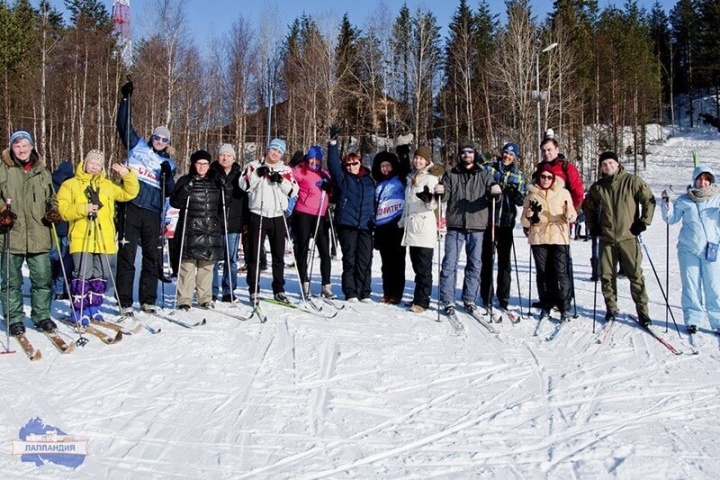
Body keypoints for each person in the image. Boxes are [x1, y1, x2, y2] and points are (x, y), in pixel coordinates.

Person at [57, 150, 139, 323]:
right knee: (83, 274)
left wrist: (128, 176)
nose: (94, 167)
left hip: (104, 239)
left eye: (98, 164)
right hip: (81, 238)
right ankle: (80, 310)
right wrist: (83, 209)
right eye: (91, 163)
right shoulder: (70, 184)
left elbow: (129, 193)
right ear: (85, 163)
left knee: (100, 276)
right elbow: (62, 211)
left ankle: (95, 307)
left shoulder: (108, 185)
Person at [116, 80, 176, 315]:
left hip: (152, 211)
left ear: (168, 143)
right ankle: (124, 302)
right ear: (151, 137)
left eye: (164, 139)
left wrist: (169, 176)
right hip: (131, 206)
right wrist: (126, 100)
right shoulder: (137, 145)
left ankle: (148, 299)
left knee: (152, 256)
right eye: (157, 137)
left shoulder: (169, 163)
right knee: (127, 255)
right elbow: (123, 125)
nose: (160, 141)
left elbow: (169, 191)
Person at [583, 151, 656, 326]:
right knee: (607, 276)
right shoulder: (598, 187)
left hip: (628, 237)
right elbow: (588, 207)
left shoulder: (632, 181)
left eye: (610, 163)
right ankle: (611, 308)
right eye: (604, 164)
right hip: (607, 239)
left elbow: (649, 200)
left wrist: (643, 222)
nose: (608, 166)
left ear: (617, 163)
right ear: (601, 167)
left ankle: (643, 312)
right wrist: (593, 226)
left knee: (635, 275)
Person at [0, 131, 62, 335]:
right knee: (11, 281)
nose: (22, 149)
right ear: (11, 148)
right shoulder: (4, 169)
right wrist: (2, 211)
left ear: (32, 147)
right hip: (12, 233)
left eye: (25, 145)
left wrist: (53, 211)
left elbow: (52, 198)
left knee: (42, 279)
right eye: (17, 146)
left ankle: (42, 315)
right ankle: (14, 318)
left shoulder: (42, 172)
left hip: (39, 233)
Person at [435, 140, 498, 314]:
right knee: (449, 263)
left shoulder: (484, 175)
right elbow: (445, 195)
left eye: (470, 152)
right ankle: (448, 299)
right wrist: (440, 191)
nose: (467, 155)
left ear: (474, 154)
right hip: (456, 225)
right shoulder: (451, 174)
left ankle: (469, 298)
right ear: (460, 155)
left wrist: (495, 192)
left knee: (475, 264)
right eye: (464, 152)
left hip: (477, 226)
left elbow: (494, 195)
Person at [661, 166, 720, 334]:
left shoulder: (717, 199)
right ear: (694, 180)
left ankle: (718, 321)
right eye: (699, 179)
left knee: (714, 286)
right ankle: (693, 320)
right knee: (690, 285)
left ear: (711, 181)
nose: (703, 183)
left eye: (706, 179)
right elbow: (671, 219)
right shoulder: (684, 200)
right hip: (688, 249)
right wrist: (666, 202)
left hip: (712, 249)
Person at [239, 139, 298, 304]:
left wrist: (281, 180)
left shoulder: (285, 169)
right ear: (268, 149)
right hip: (258, 213)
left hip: (278, 215)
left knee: (278, 255)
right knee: (255, 254)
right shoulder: (253, 165)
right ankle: (254, 289)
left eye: (279, 151)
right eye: (273, 150)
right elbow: (243, 185)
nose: (275, 154)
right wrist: (258, 174)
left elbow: (293, 191)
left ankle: (279, 289)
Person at [520, 163, 577, 321]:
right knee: (543, 272)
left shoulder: (563, 192)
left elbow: (572, 214)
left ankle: (564, 304)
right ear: (538, 178)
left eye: (549, 177)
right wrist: (529, 216)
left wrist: (568, 215)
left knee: (560, 272)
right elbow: (523, 221)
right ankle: (546, 302)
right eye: (542, 176)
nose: (545, 179)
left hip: (559, 236)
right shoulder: (531, 195)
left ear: (554, 179)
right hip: (539, 237)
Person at [170, 150, 224, 310]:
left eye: (205, 164)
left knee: (206, 266)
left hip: (209, 227)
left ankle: (205, 298)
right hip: (190, 227)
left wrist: (225, 186)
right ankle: (184, 299)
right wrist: (185, 189)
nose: (202, 167)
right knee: (187, 266)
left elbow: (224, 203)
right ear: (194, 165)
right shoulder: (185, 180)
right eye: (199, 163)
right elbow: (175, 202)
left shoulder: (214, 181)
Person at [327, 134, 375, 302]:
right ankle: (351, 292)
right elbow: (332, 165)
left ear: (360, 163)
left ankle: (364, 291)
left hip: (366, 225)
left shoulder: (369, 180)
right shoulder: (343, 179)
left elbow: (375, 202)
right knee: (350, 260)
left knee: (365, 260)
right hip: (347, 224)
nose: (351, 167)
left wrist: (374, 219)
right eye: (348, 164)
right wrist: (333, 144)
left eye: (354, 163)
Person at [480, 142, 527, 310]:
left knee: (505, 262)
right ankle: (486, 295)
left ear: (515, 157)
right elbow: (476, 163)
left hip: (506, 223)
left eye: (511, 155)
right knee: (487, 260)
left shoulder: (518, 175)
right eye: (505, 153)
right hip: (489, 221)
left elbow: (522, 200)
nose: (507, 156)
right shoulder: (490, 168)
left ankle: (503, 296)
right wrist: (489, 153)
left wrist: (514, 193)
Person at [401, 146, 443, 313]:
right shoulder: (412, 177)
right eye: (416, 158)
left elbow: (435, 204)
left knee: (424, 267)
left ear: (427, 161)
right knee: (416, 267)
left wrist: (428, 199)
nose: (417, 161)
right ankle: (417, 296)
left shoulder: (431, 179)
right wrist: (402, 220)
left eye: (421, 159)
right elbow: (408, 204)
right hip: (411, 227)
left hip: (424, 227)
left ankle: (423, 301)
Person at [291, 145, 336, 299]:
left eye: (317, 159)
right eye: (312, 159)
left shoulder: (325, 174)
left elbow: (333, 190)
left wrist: (330, 188)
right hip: (303, 214)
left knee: (324, 251)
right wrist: (292, 164)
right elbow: (286, 175)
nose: (315, 162)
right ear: (307, 158)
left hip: (321, 216)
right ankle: (304, 282)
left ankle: (326, 285)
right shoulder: (301, 172)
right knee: (302, 249)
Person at [372, 148, 410, 304]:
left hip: (397, 225)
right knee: (385, 264)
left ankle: (396, 293)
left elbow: (405, 167)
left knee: (398, 262)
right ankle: (387, 292)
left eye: (388, 165)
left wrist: (403, 152)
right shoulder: (379, 184)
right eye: (382, 166)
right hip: (382, 226)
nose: (385, 169)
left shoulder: (399, 179)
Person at [210, 144, 245, 303]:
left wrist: (244, 221)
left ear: (233, 158)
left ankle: (229, 290)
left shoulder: (240, 175)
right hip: (215, 222)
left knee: (231, 259)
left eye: (228, 155)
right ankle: (212, 290)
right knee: (214, 259)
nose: (225, 158)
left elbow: (245, 198)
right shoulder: (211, 173)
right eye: (222, 155)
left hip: (233, 222)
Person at [50, 160, 75, 300]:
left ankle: (50, 286)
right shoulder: (72, 184)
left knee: (53, 259)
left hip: (53, 227)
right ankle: (61, 289)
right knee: (65, 261)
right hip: (67, 227)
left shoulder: (50, 182)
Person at [536, 137, 584, 209]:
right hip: (543, 215)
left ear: (557, 150)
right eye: (543, 151)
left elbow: (578, 193)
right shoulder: (539, 169)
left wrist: (570, 210)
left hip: (561, 214)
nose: (546, 153)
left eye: (549, 150)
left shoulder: (567, 168)